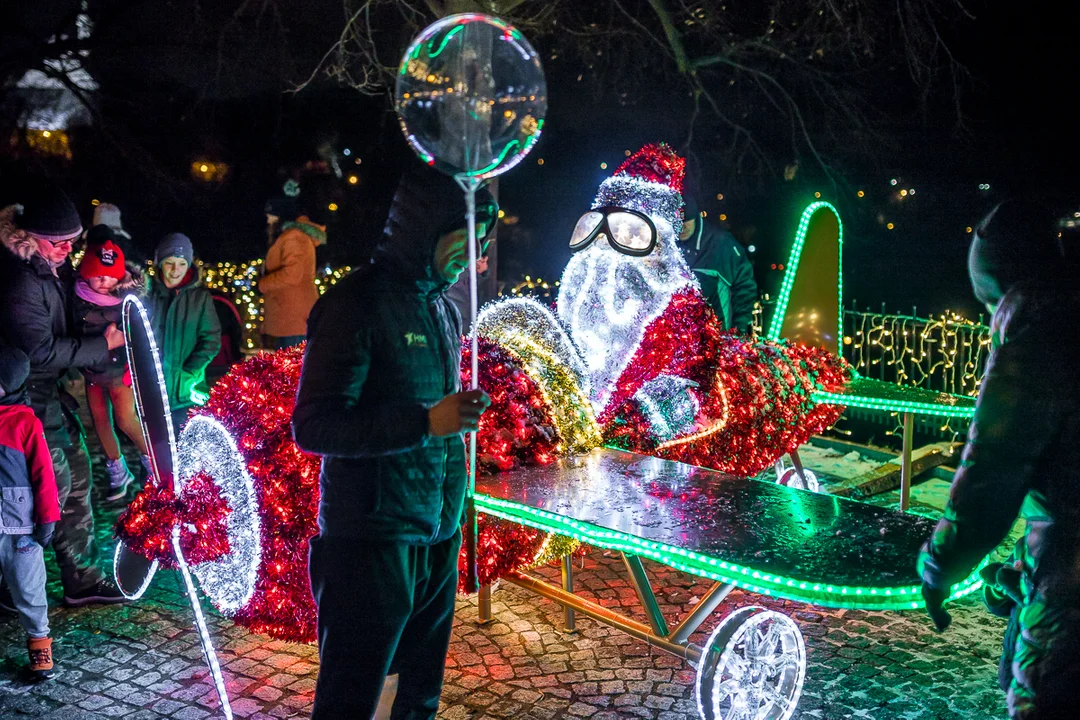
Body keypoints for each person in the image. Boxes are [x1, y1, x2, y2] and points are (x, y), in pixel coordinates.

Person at [293, 164, 495, 720]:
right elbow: (314, 426)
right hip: (370, 543)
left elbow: (441, 415)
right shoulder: (354, 305)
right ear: (424, 230)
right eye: (464, 241)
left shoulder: (442, 309)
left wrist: (458, 492)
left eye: (481, 243)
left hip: (436, 536)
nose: (472, 257)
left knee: (416, 694)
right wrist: (426, 423)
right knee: (353, 697)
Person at [918, 200, 1080, 719]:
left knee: (1046, 696)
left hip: (1071, 576)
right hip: (1061, 557)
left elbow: (995, 462)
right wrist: (1017, 568)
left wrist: (940, 564)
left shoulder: (1037, 318)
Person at [0, 184, 127, 607]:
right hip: (22, 402)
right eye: (58, 243)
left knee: (78, 480)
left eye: (72, 242)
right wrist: (101, 346)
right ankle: (14, 584)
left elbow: (78, 305)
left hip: (51, 398)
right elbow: (40, 349)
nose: (66, 250)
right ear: (30, 237)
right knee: (43, 491)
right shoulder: (20, 280)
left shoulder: (52, 269)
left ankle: (83, 579)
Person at [72, 236, 151, 500]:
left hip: (119, 374)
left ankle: (152, 460)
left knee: (126, 420)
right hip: (92, 373)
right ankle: (117, 468)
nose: (104, 281)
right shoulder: (77, 299)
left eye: (109, 276)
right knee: (100, 421)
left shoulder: (125, 303)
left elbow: (139, 336)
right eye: (97, 275)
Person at [0, 344, 61, 680]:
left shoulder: (24, 421)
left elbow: (43, 473)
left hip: (20, 524)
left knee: (28, 586)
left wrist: (47, 516)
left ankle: (40, 643)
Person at [146, 233, 221, 431]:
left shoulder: (200, 299)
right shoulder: (146, 294)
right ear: (159, 263)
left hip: (185, 393)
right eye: (169, 262)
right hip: (150, 391)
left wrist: (190, 370)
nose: (175, 270)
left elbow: (211, 339)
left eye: (181, 263)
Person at [678, 194, 757, 333]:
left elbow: (745, 285)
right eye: (676, 222)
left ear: (696, 217)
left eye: (687, 220)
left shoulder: (721, 243)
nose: (682, 227)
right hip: (678, 338)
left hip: (718, 335)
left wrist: (739, 329)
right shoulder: (663, 244)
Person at [259, 194, 326, 350]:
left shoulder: (294, 236)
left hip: (293, 317)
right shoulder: (292, 236)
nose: (268, 221)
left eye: (271, 216)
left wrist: (262, 284)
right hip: (290, 316)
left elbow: (292, 274)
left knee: (291, 367)